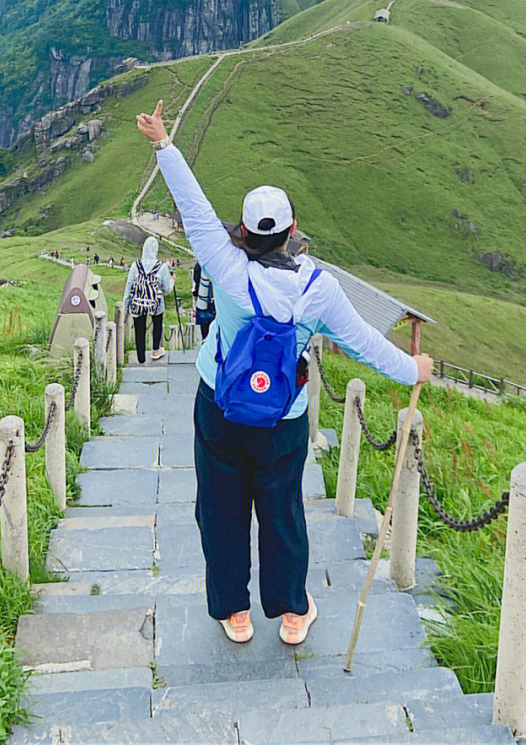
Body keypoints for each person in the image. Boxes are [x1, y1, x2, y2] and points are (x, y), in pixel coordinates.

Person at [135, 100, 435, 647]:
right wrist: (412, 367)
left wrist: (164, 142)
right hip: (284, 415)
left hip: (221, 406)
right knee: (281, 510)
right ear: (294, 229)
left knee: (221, 509)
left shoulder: (225, 266)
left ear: (243, 232)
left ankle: (235, 613)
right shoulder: (318, 287)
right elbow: (365, 344)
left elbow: (195, 207)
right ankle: (293, 614)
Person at [122, 235, 172, 363]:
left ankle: (141, 358)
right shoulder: (162, 267)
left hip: (138, 303)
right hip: (156, 303)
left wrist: (126, 305)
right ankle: (156, 350)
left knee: (139, 328)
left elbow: (129, 285)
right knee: (157, 323)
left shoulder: (135, 265)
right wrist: (172, 281)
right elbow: (167, 289)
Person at [192, 259, 216, 341]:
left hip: (203, 300)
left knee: (205, 332)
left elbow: (195, 279)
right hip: (216, 302)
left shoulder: (200, 263)